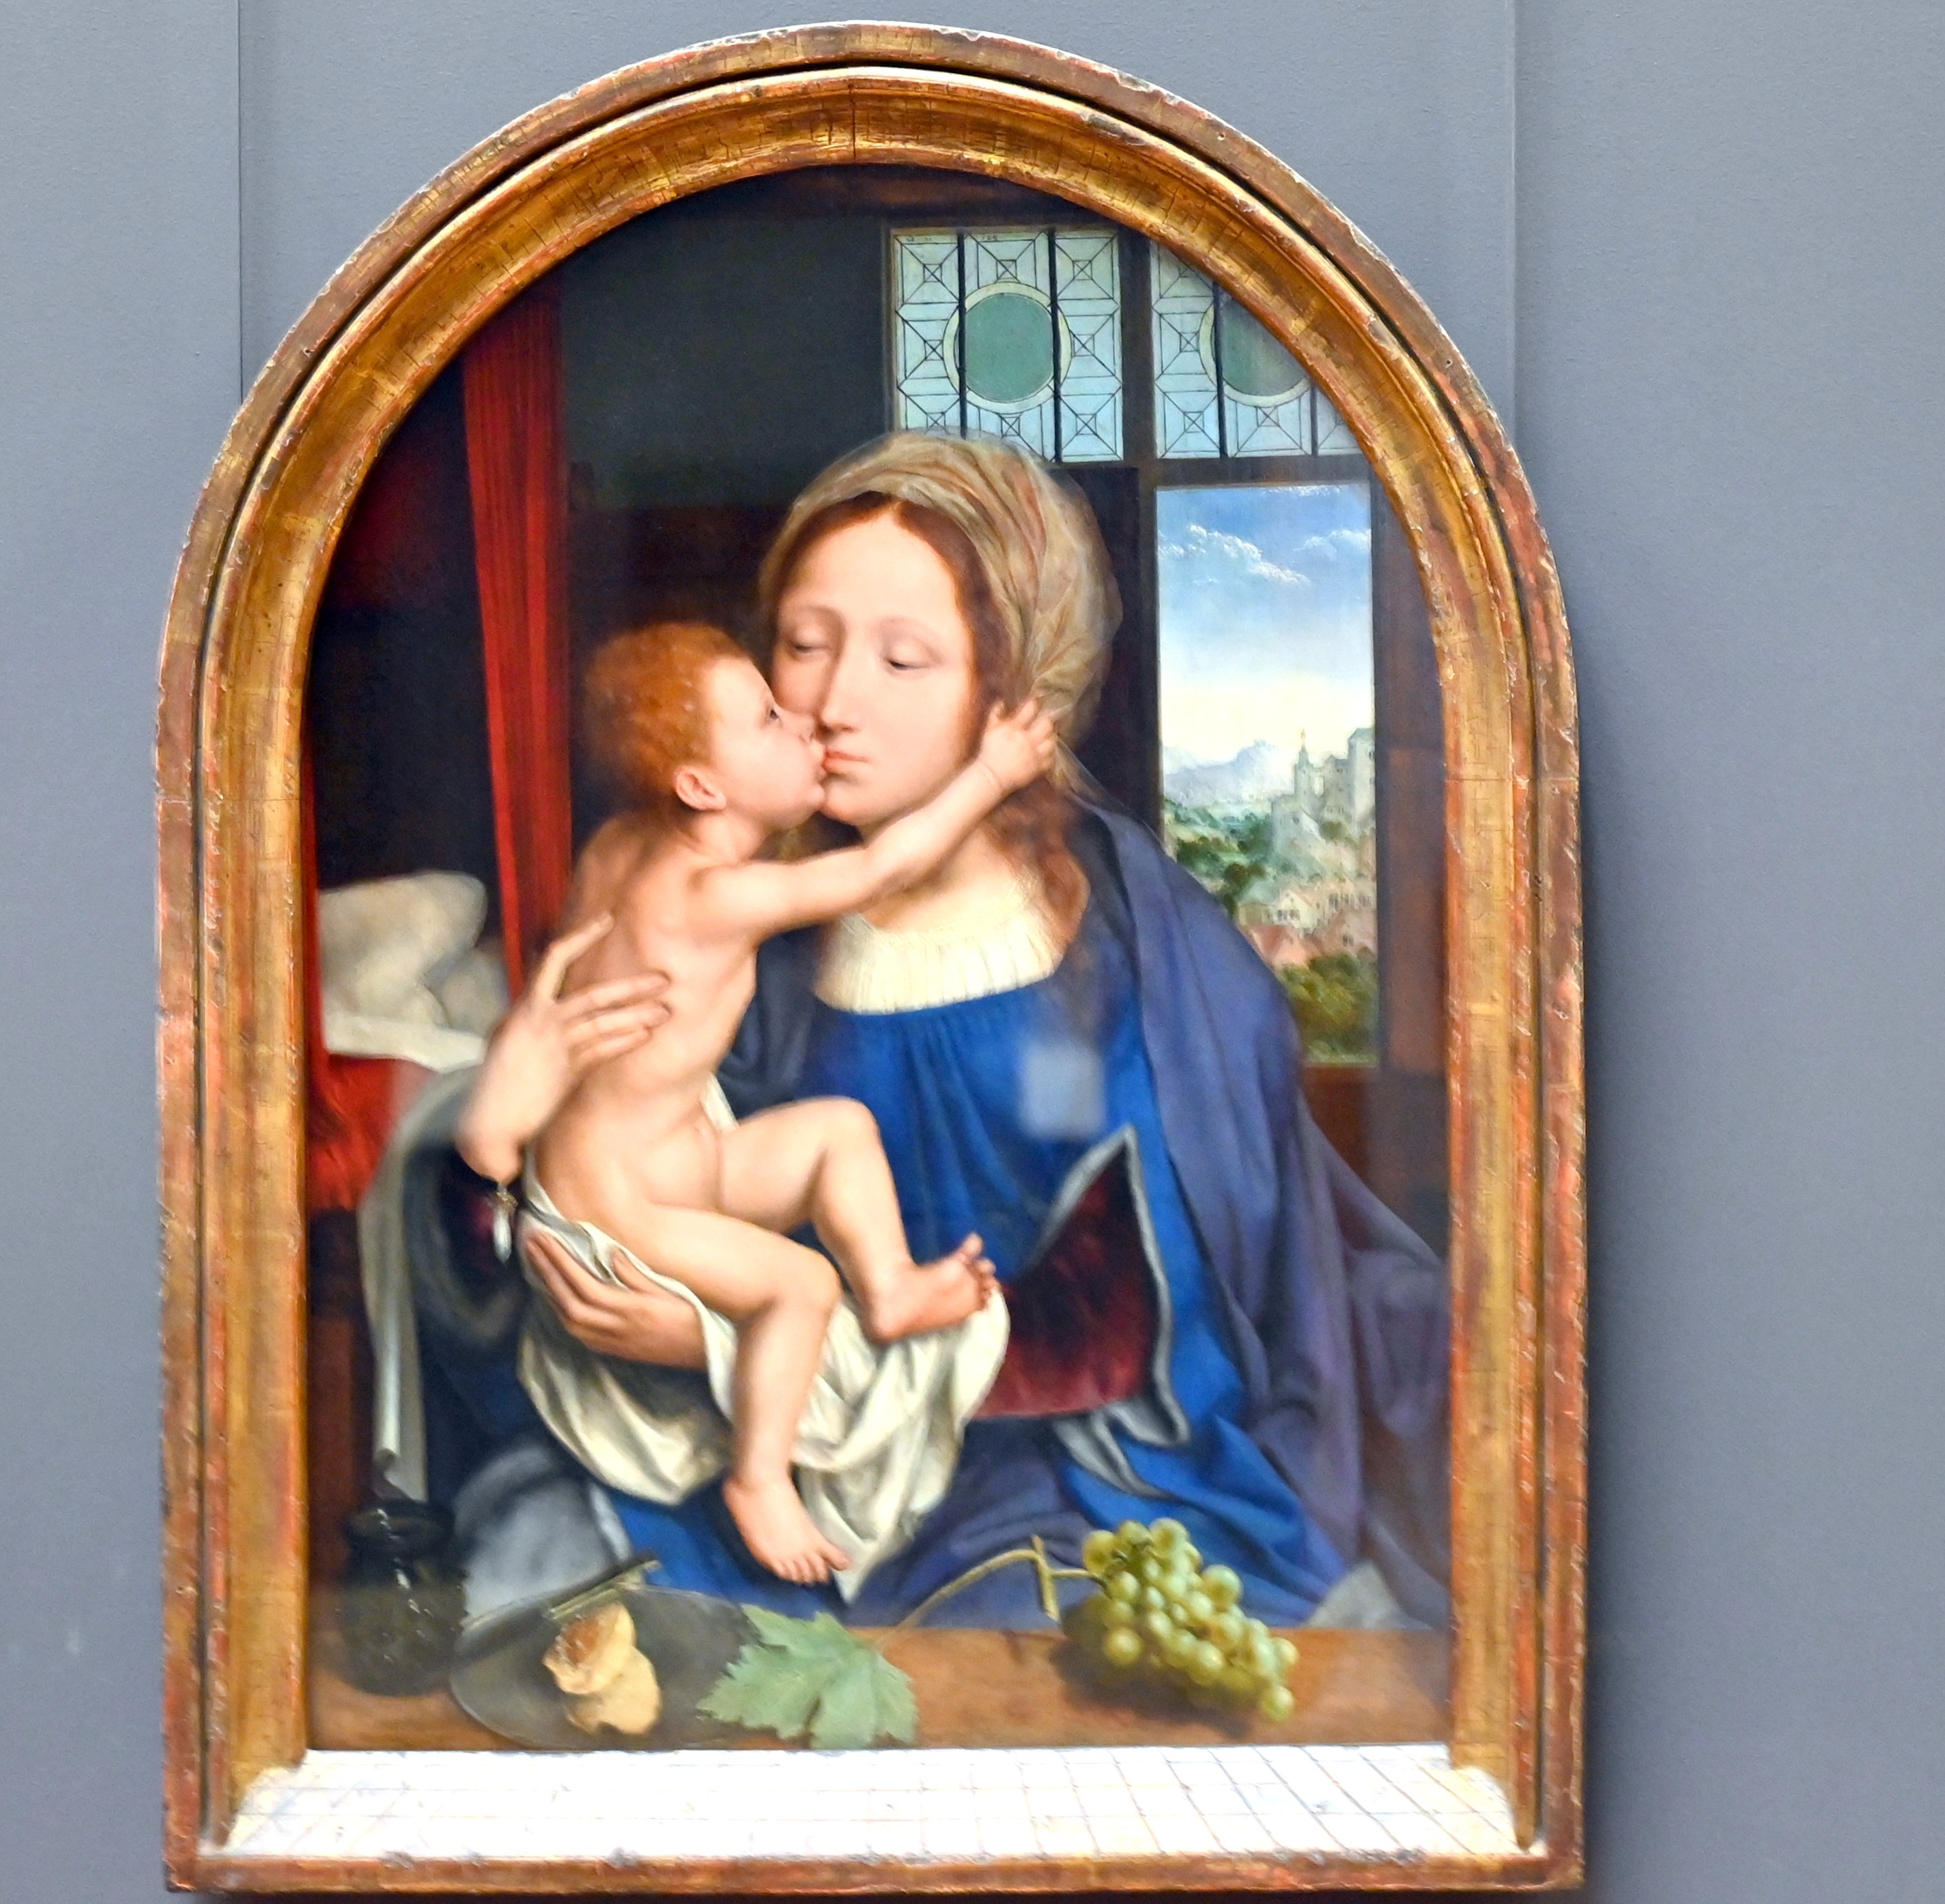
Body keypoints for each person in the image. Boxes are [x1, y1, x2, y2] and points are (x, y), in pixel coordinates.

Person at [431, 432, 1448, 1631]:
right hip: (767, 1453)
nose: (830, 704)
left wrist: (714, 1342)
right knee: (536, 1578)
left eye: (903, 658)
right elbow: (595, 1207)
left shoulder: (1140, 952)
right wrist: (500, 1152)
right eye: (802, 646)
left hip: (1065, 1479)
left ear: (1016, 698)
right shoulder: (750, 938)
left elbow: (1138, 1328)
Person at [518, 618, 1053, 1582]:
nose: (804, 724)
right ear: (700, 787)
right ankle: (759, 1480)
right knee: (800, 1286)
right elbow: (882, 868)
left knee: (839, 1131)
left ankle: (889, 1289)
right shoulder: (708, 895)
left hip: (673, 1156)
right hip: (614, 1205)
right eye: (768, 719)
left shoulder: (625, 845)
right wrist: (991, 772)